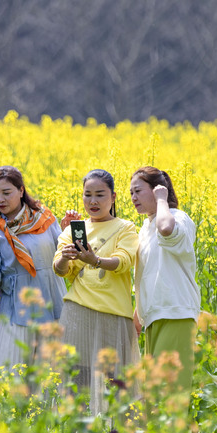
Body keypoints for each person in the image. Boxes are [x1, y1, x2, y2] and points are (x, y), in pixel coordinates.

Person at [0, 166, 70, 383]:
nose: (0, 199)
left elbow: (63, 256)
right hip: (17, 312)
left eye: (6, 192)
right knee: (13, 378)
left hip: (52, 304)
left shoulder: (45, 218)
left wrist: (68, 232)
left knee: (52, 377)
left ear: (21, 190)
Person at [52, 169, 140, 412]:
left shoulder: (125, 227)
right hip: (78, 314)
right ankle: (76, 431)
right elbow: (60, 270)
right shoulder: (72, 230)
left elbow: (124, 261)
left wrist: (95, 260)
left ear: (113, 197)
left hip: (114, 315)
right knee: (76, 381)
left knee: (117, 382)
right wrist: (65, 257)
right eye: (87, 195)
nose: (93, 201)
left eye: (100, 195)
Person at [130, 166, 201, 391]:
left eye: (138, 191)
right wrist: (138, 315)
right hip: (155, 316)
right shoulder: (145, 227)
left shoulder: (178, 218)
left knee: (170, 392)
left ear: (158, 189)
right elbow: (149, 273)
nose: (133, 197)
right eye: (131, 193)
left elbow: (166, 229)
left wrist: (163, 199)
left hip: (175, 313)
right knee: (154, 393)